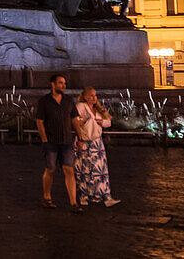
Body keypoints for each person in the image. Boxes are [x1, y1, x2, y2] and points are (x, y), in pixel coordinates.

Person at [35, 74, 82, 212]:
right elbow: (39, 121)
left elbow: (75, 119)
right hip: (51, 141)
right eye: (60, 83)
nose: (64, 85)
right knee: (50, 169)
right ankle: (47, 197)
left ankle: (73, 202)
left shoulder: (68, 100)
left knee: (69, 170)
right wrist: (44, 139)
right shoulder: (44, 101)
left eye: (64, 83)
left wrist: (80, 136)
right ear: (53, 84)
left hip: (67, 140)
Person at [74, 87, 120, 207]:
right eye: (91, 96)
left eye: (95, 96)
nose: (94, 98)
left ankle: (104, 196)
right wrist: (82, 124)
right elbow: (75, 120)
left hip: (97, 143)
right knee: (84, 170)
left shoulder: (97, 109)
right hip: (84, 142)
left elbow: (108, 122)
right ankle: (84, 196)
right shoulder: (80, 106)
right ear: (85, 97)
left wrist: (101, 121)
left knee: (100, 171)